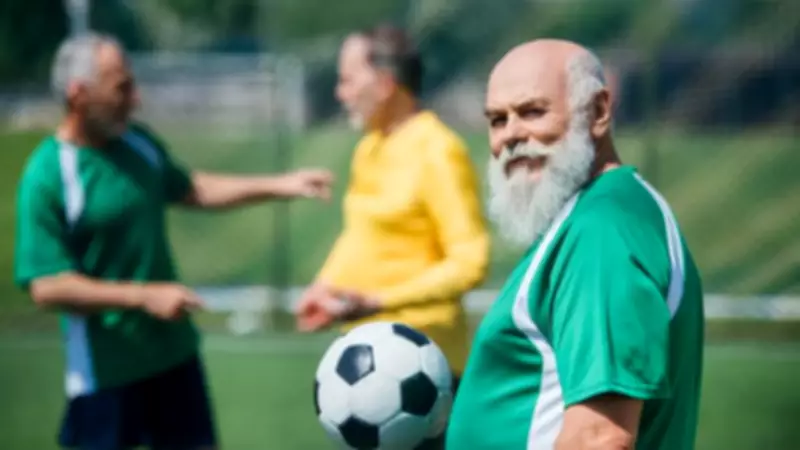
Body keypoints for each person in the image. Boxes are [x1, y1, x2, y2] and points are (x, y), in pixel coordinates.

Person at [13, 32, 333, 450]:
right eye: (121, 87)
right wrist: (143, 296)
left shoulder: (137, 143)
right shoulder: (48, 175)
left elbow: (191, 188)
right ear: (79, 94)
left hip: (174, 357)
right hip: (105, 373)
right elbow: (47, 284)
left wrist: (281, 184)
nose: (136, 98)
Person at [445, 39, 704, 450]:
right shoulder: (598, 215)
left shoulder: (602, 232)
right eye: (497, 120)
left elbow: (600, 437)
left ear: (598, 112)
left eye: (532, 111)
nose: (511, 135)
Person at [295, 24, 490, 393]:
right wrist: (324, 285)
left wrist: (379, 302)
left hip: (427, 365)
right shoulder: (369, 147)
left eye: (348, 80)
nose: (341, 93)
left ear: (384, 84)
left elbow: (470, 263)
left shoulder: (439, 150)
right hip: (365, 358)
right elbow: (361, 234)